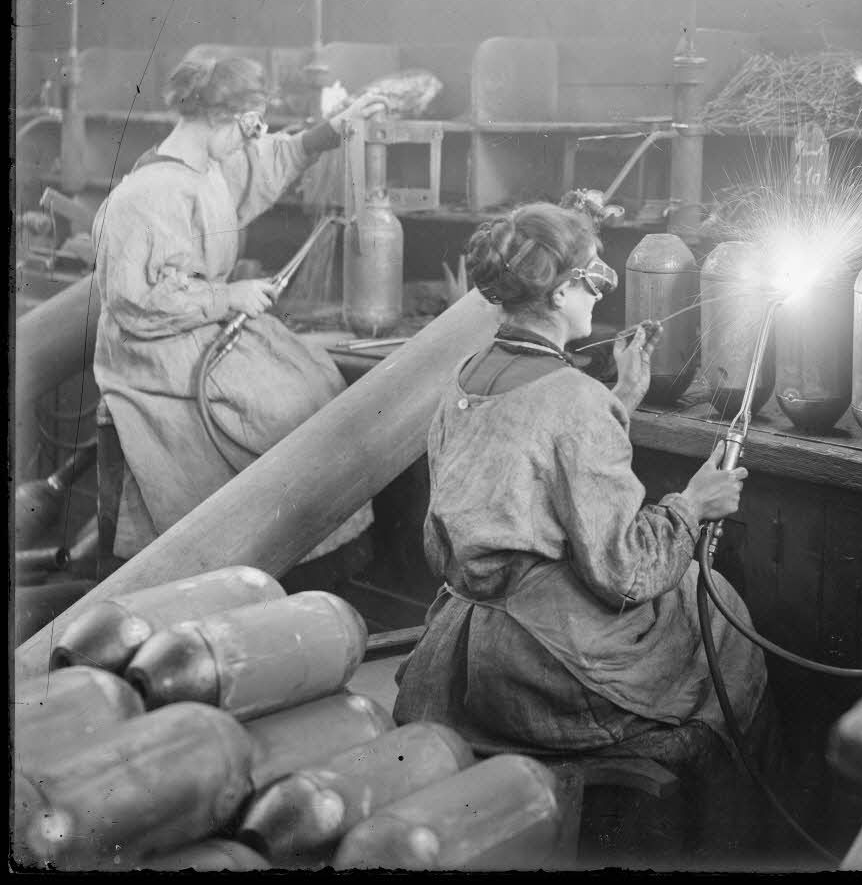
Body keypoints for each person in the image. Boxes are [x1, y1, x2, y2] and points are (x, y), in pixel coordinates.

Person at [393, 201, 770, 780]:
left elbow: (524, 459)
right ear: (562, 291)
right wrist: (693, 505)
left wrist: (620, 397)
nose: (601, 294)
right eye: (596, 277)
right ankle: (715, 816)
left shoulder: (470, 374)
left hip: (461, 653)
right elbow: (626, 573)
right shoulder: (575, 398)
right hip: (541, 673)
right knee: (712, 598)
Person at [90, 55, 383, 577]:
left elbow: (262, 162)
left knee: (316, 379)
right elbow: (135, 301)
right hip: (154, 348)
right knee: (280, 406)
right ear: (221, 118)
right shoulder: (143, 196)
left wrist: (327, 134)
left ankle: (301, 552)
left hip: (195, 326)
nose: (254, 140)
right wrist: (226, 299)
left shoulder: (207, 168)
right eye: (249, 126)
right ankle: (258, 555)